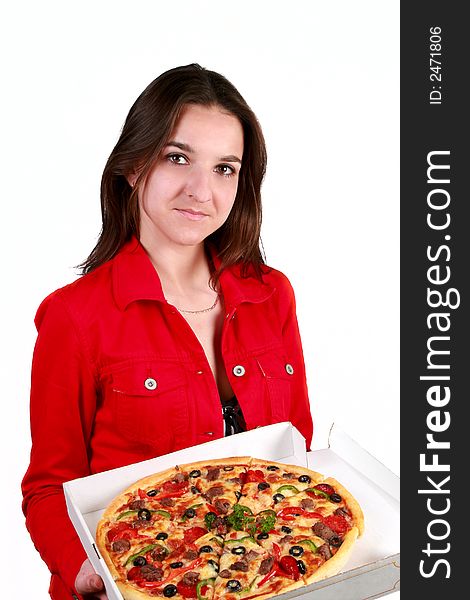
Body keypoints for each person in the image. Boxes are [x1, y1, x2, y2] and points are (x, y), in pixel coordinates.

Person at [21, 63, 313, 600]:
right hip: (138, 581)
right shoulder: (75, 317)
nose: (202, 190)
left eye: (226, 168)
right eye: (177, 158)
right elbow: (47, 489)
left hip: (262, 581)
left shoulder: (273, 294)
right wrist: (92, 574)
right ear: (133, 166)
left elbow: (297, 457)